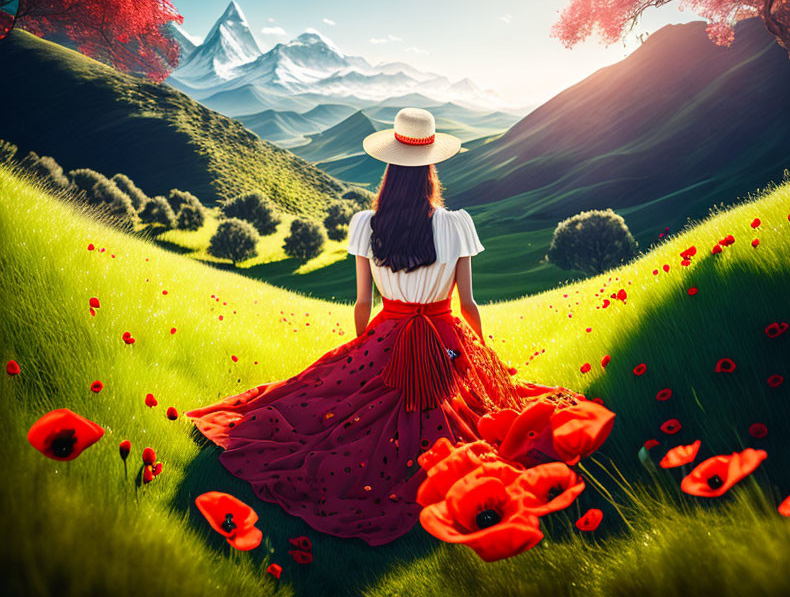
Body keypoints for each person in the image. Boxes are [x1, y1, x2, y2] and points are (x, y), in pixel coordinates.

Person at [187, 107, 574, 546]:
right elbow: (467, 303)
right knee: (469, 404)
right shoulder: (456, 224)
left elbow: (362, 303)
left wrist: (362, 353)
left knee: (327, 403)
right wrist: (482, 356)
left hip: (384, 337)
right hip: (446, 340)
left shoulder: (366, 225)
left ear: (390, 167)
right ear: (431, 167)